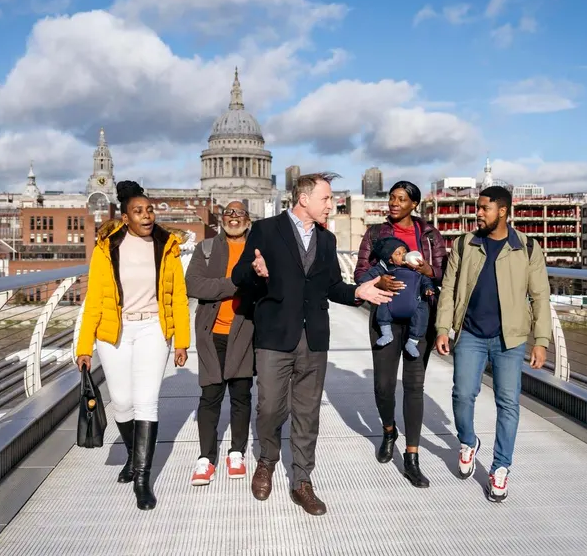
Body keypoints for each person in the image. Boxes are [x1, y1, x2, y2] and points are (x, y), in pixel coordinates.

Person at [232, 172, 392, 516]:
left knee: (307, 413)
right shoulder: (265, 230)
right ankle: (267, 459)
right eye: (326, 198)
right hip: (275, 336)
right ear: (303, 199)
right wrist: (255, 272)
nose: (331, 204)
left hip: (314, 338)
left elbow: (333, 286)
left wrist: (358, 293)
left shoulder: (328, 240)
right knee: (270, 407)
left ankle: (302, 480)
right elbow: (239, 277)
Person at [75, 180, 190, 511]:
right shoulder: (106, 248)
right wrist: (84, 347)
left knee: (146, 402)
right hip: (115, 331)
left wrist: (181, 340)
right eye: (138, 211)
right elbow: (94, 299)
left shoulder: (167, 245)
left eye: (150, 209)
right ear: (125, 217)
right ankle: (132, 456)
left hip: (154, 327)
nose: (147, 215)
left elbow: (178, 298)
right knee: (122, 402)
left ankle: (142, 479)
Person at [434, 185, 551, 503]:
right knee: (462, 394)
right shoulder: (464, 244)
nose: (478, 212)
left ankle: (500, 468)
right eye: (477, 207)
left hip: (509, 339)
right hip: (470, 334)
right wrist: (443, 328)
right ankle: (468, 441)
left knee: (508, 404)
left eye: (484, 208)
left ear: (502, 211)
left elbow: (540, 296)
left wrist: (541, 340)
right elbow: (448, 288)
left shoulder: (527, 248)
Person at [354, 180, 447, 487]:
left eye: (401, 199)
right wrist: (379, 281)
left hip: (420, 318)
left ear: (414, 205)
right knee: (383, 385)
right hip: (385, 315)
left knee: (414, 386)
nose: (394, 203)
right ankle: (389, 429)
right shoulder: (375, 234)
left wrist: (426, 272)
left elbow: (444, 272)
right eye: (392, 198)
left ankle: (411, 457)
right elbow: (359, 273)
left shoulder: (430, 236)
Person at [184, 201, 255, 486]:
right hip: (212, 334)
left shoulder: (259, 249)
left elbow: (265, 284)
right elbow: (194, 285)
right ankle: (205, 458)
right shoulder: (206, 248)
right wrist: (236, 283)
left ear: (248, 220)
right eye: (228, 213)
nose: (233, 218)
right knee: (210, 396)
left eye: (239, 214)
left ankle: (236, 452)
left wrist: (220, 287)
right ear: (221, 219)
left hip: (247, 333)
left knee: (241, 396)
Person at [360, 236, 435, 358]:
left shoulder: (415, 268)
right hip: (392, 301)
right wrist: (379, 281)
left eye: (405, 252)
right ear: (390, 260)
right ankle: (386, 333)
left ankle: (412, 342)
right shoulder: (383, 268)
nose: (403, 255)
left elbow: (425, 279)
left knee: (422, 312)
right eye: (398, 254)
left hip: (413, 303)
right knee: (382, 303)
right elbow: (365, 279)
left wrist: (428, 288)